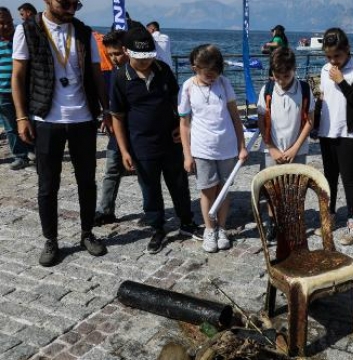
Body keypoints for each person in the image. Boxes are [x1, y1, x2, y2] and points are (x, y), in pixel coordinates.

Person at [12, 0, 110, 267]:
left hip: (83, 118)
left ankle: (87, 233)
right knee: (47, 185)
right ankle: (51, 239)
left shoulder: (83, 31)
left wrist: (106, 110)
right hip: (45, 119)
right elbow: (18, 76)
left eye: (75, 4)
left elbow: (96, 74)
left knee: (87, 181)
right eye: (65, 3)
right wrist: (21, 117)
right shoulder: (27, 31)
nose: (70, 9)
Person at [111, 28, 198, 254]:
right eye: (140, 58)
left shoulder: (163, 69)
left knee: (178, 183)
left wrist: (182, 129)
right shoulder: (121, 77)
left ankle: (186, 220)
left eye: (149, 56)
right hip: (142, 145)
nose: (146, 61)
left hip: (170, 142)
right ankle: (157, 228)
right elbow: (118, 118)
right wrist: (124, 151)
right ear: (126, 52)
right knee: (150, 188)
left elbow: (179, 104)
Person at [178, 44, 248, 253]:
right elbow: (184, 124)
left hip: (226, 148)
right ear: (195, 67)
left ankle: (223, 228)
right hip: (202, 149)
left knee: (224, 190)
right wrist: (187, 154)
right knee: (207, 190)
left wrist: (241, 146)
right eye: (208, 73)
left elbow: (236, 118)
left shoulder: (224, 84)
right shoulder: (188, 87)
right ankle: (209, 228)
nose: (212, 77)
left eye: (215, 73)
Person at [317, 27, 353, 246]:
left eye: (337, 56)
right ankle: (330, 215)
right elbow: (324, 100)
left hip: (349, 132)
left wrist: (341, 81)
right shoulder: (324, 69)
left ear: (347, 50)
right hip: (326, 131)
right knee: (329, 177)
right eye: (328, 57)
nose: (333, 61)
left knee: (348, 178)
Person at [256, 46, 314, 241]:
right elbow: (261, 121)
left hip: (297, 149)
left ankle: (292, 222)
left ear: (294, 70)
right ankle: (273, 222)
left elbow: (309, 121)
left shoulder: (304, 89)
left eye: (286, 76)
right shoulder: (268, 89)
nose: (281, 81)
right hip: (272, 150)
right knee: (272, 189)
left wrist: (296, 147)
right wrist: (271, 147)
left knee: (294, 188)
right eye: (277, 76)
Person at [94, 30, 130, 226]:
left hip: (139, 133)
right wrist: (106, 115)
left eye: (117, 54)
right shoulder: (113, 73)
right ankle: (106, 210)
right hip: (117, 132)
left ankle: (155, 214)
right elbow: (110, 101)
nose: (114, 59)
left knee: (147, 174)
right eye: (110, 55)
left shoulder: (140, 72)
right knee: (112, 170)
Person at [1, 7, 34, 170]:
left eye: (9, 22)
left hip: (23, 90)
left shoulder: (20, 38)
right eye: (1, 23)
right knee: (10, 126)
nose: (6, 26)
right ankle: (20, 156)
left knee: (30, 120)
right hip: (3, 93)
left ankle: (33, 149)